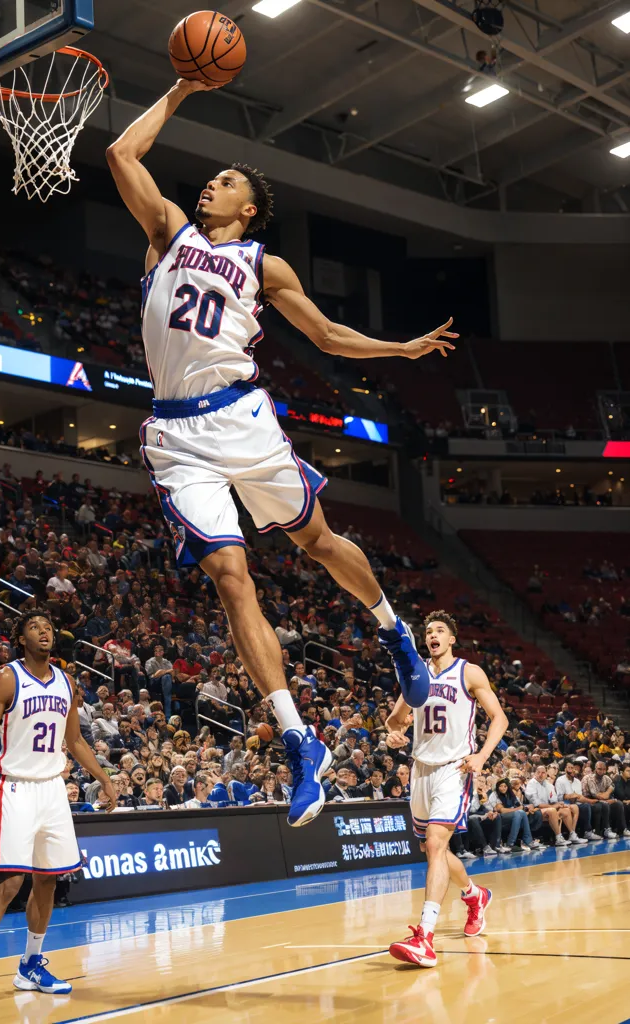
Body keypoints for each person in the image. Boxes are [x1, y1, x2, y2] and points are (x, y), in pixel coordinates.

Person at [105, 79, 455, 826]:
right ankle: (300, 741)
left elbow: (327, 337)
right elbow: (119, 151)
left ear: (251, 209)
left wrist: (400, 347)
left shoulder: (266, 266)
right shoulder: (167, 231)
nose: (211, 184)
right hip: (176, 436)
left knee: (318, 541)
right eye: (214, 176)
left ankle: (392, 629)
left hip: (242, 419)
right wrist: (181, 86)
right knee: (231, 577)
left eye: (227, 181)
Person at [0, 609, 116, 1013]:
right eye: (34, 627)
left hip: (52, 790)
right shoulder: (5, 678)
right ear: (20, 637)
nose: (44, 631)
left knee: (48, 881)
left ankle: (30, 965)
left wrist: (105, 778)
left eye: (47, 626)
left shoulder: (66, 681)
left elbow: (74, 740)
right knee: (10, 883)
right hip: (15, 787)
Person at [385, 611, 508, 969]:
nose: (432, 635)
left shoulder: (469, 672)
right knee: (430, 849)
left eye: (439, 630)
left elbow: (499, 717)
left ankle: (424, 936)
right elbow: (395, 718)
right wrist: (394, 732)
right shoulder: (416, 674)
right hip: (420, 769)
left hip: (454, 769)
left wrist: (482, 755)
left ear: (452, 638)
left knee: (437, 844)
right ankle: (474, 895)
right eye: (428, 631)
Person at [555, 761, 601, 841]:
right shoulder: (560, 780)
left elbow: (579, 797)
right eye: (570, 768)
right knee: (584, 806)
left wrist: (588, 800)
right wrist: (571, 796)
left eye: (574, 768)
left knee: (594, 806)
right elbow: (560, 797)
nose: (573, 770)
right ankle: (583, 832)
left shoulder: (578, 781)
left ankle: (591, 832)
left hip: (576, 803)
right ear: (565, 769)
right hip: (563, 804)